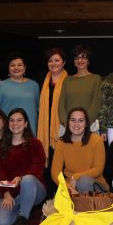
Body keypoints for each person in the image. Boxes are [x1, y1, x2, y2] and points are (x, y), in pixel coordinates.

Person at [0, 108, 46, 225]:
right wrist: (6, 194)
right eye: (11, 120)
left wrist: (21, 178)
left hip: (34, 188)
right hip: (11, 193)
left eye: (19, 120)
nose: (15, 123)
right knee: (1, 223)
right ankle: (21, 209)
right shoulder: (2, 147)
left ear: (26, 123)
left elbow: (37, 170)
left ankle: (23, 217)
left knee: (27, 179)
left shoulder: (35, 144)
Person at [51, 107, 108, 193]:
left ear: (86, 124)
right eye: (73, 120)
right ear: (68, 123)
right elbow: (55, 172)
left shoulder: (96, 140)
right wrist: (68, 188)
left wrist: (75, 177)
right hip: (71, 186)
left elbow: (98, 169)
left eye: (81, 120)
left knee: (83, 181)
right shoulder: (61, 143)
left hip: (95, 188)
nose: (76, 124)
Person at [36, 47, 68, 197]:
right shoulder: (43, 81)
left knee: (61, 169)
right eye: (50, 61)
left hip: (61, 131)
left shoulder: (70, 81)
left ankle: (63, 204)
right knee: (48, 171)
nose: (53, 63)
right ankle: (49, 205)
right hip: (45, 131)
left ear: (64, 63)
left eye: (57, 60)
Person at [0, 53, 40, 135]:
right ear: (8, 68)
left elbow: (38, 110)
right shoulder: (0, 86)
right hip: (8, 132)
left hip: (30, 132)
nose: (16, 68)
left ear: (25, 68)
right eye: (12, 65)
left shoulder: (34, 85)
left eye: (20, 65)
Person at [58, 45, 102, 132]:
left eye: (83, 57)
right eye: (77, 58)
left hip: (89, 126)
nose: (80, 60)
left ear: (88, 61)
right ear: (74, 62)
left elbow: (96, 104)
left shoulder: (96, 79)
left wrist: (84, 123)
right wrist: (67, 123)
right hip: (68, 127)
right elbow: (61, 104)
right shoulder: (67, 80)